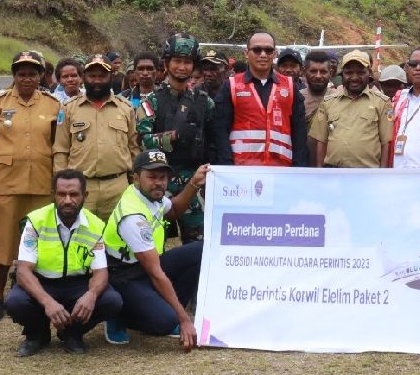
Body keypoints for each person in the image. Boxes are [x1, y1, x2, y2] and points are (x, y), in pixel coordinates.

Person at [0, 50, 63, 322]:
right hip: (5, 184)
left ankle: (37, 294)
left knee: (41, 243)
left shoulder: (53, 104)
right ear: (14, 75)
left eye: (33, 73)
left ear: (41, 76)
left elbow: (59, 145)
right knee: (1, 243)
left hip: (41, 184)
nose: (27, 79)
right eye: (22, 73)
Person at [3, 169, 121, 355]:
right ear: (52, 195)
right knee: (15, 301)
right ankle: (37, 334)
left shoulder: (96, 225)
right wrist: (48, 302)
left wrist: (91, 294)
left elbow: (101, 272)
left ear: (85, 196)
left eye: (73, 194)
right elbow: (23, 271)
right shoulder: (35, 221)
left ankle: (72, 334)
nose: (67, 200)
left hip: (77, 285)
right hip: (41, 282)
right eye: (61, 194)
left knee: (111, 300)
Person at [101, 151, 207, 349]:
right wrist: (183, 319)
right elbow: (155, 273)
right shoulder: (133, 215)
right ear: (136, 178)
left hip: (146, 266)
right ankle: (117, 314)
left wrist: (194, 183)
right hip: (124, 276)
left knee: (199, 251)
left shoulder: (151, 196)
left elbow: (174, 210)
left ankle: (162, 309)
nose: (158, 182)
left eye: (162, 177)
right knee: (165, 322)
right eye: (151, 177)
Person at [136, 34, 217, 243]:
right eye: (177, 61)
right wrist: (173, 137)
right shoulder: (151, 101)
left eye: (187, 62)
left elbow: (212, 138)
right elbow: (142, 140)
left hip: (194, 180)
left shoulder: (204, 101)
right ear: (167, 63)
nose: (182, 67)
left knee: (199, 245)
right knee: (155, 244)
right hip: (160, 181)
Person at [54, 54, 141, 225]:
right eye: (92, 76)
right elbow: (61, 150)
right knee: (80, 241)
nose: (97, 81)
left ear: (111, 77)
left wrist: (135, 184)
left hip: (118, 187)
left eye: (102, 76)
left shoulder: (126, 108)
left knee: (118, 241)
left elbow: (134, 148)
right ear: (84, 77)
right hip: (80, 188)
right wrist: (62, 187)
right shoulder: (68, 108)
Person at [213, 31, 309, 167]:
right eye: (257, 50)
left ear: (275, 54)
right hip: (241, 173)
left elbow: (299, 133)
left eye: (268, 50)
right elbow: (220, 130)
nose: (263, 55)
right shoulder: (232, 86)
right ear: (246, 53)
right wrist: (227, 168)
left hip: (281, 172)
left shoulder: (289, 87)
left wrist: (299, 169)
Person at [311, 51, 392, 168]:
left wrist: (382, 175)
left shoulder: (382, 103)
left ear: (368, 73)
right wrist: (320, 172)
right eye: (349, 72)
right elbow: (321, 141)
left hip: (368, 175)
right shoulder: (328, 102)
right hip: (333, 175)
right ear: (342, 74)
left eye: (360, 72)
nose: (354, 77)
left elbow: (386, 143)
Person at [300, 50, 332, 125]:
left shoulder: (338, 98)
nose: (318, 76)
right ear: (304, 72)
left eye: (323, 71)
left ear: (330, 73)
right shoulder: (297, 99)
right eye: (313, 71)